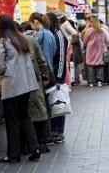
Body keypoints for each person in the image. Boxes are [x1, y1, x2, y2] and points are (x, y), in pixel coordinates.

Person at [0, 15, 41, 163]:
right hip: (26, 85)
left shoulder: (2, 41)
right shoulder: (21, 38)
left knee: (12, 120)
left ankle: (14, 154)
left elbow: (0, 65)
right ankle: (35, 149)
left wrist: (1, 73)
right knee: (25, 117)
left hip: (12, 86)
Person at [19, 22, 53, 153]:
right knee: (40, 111)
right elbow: (42, 60)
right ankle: (42, 142)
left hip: (21, 84)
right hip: (36, 81)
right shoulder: (32, 40)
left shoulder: (11, 41)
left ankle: (28, 145)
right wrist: (45, 76)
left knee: (26, 114)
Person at [47, 12, 68, 143]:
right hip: (54, 76)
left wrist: (59, 78)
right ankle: (54, 131)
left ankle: (58, 132)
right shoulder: (53, 35)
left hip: (57, 77)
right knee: (54, 103)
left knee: (58, 103)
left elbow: (61, 59)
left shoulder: (59, 36)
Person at [83, 15, 109, 87]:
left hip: (90, 50)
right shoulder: (102, 30)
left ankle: (91, 82)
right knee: (100, 65)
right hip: (100, 49)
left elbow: (85, 41)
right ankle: (99, 81)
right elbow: (107, 40)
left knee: (90, 66)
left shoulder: (88, 31)